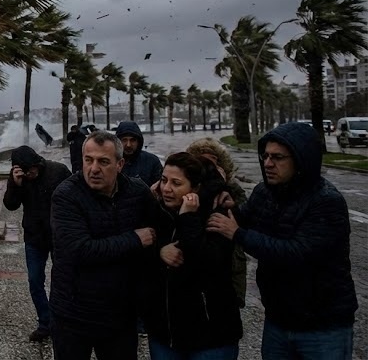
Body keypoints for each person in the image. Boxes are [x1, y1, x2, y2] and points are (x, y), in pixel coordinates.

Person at [207, 122, 358, 358]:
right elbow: (243, 218)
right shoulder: (264, 192)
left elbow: (296, 253)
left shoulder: (326, 201)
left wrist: (237, 234)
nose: (268, 163)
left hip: (322, 324)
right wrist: (230, 205)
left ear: (301, 160)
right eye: (265, 156)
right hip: (278, 318)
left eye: (278, 157)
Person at [50, 130, 160, 359]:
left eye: (103, 161)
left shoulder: (137, 192)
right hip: (74, 313)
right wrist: (135, 239)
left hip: (120, 313)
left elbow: (162, 227)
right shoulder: (66, 195)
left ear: (120, 164)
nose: (94, 168)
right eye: (88, 160)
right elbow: (81, 250)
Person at [142, 152, 242, 359]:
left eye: (176, 183)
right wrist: (159, 252)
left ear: (195, 188)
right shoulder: (158, 211)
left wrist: (188, 217)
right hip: (165, 335)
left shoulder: (218, 216)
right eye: (163, 180)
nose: (167, 188)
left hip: (210, 338)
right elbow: (138, 256)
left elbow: (209, 263)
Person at [3, 145, 72, 342]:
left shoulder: (57, 171)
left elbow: (74, 196)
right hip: (34, 237)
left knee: (64, 280)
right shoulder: (18, 177)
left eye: (31, 170)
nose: (29, 174)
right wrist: (15, 185)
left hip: (58, 236)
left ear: (37, 163)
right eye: (24, 171)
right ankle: (45, 323)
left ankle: (64, 322)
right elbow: (11, 205)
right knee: (35, 281)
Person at [185, 138, 248, 308]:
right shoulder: (189, 189)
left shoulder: (232, 189)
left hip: (229, 267)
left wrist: (232, 202)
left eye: (213, 161)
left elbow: (248, 217)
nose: (209, 168)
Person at [115, 120, 163, 186]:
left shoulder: (152, 161)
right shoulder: (111, 161)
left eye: (133, 140)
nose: (128, 145)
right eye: (124, 140)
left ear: (138, 142)